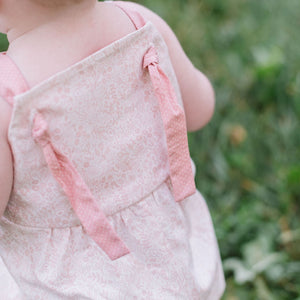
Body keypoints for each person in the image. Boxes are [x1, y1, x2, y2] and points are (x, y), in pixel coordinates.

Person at [0, 0, 225, 298]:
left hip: (63, 284)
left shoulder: (8, 96)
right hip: (169, 263)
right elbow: (201, 109)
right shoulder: (140, 24)